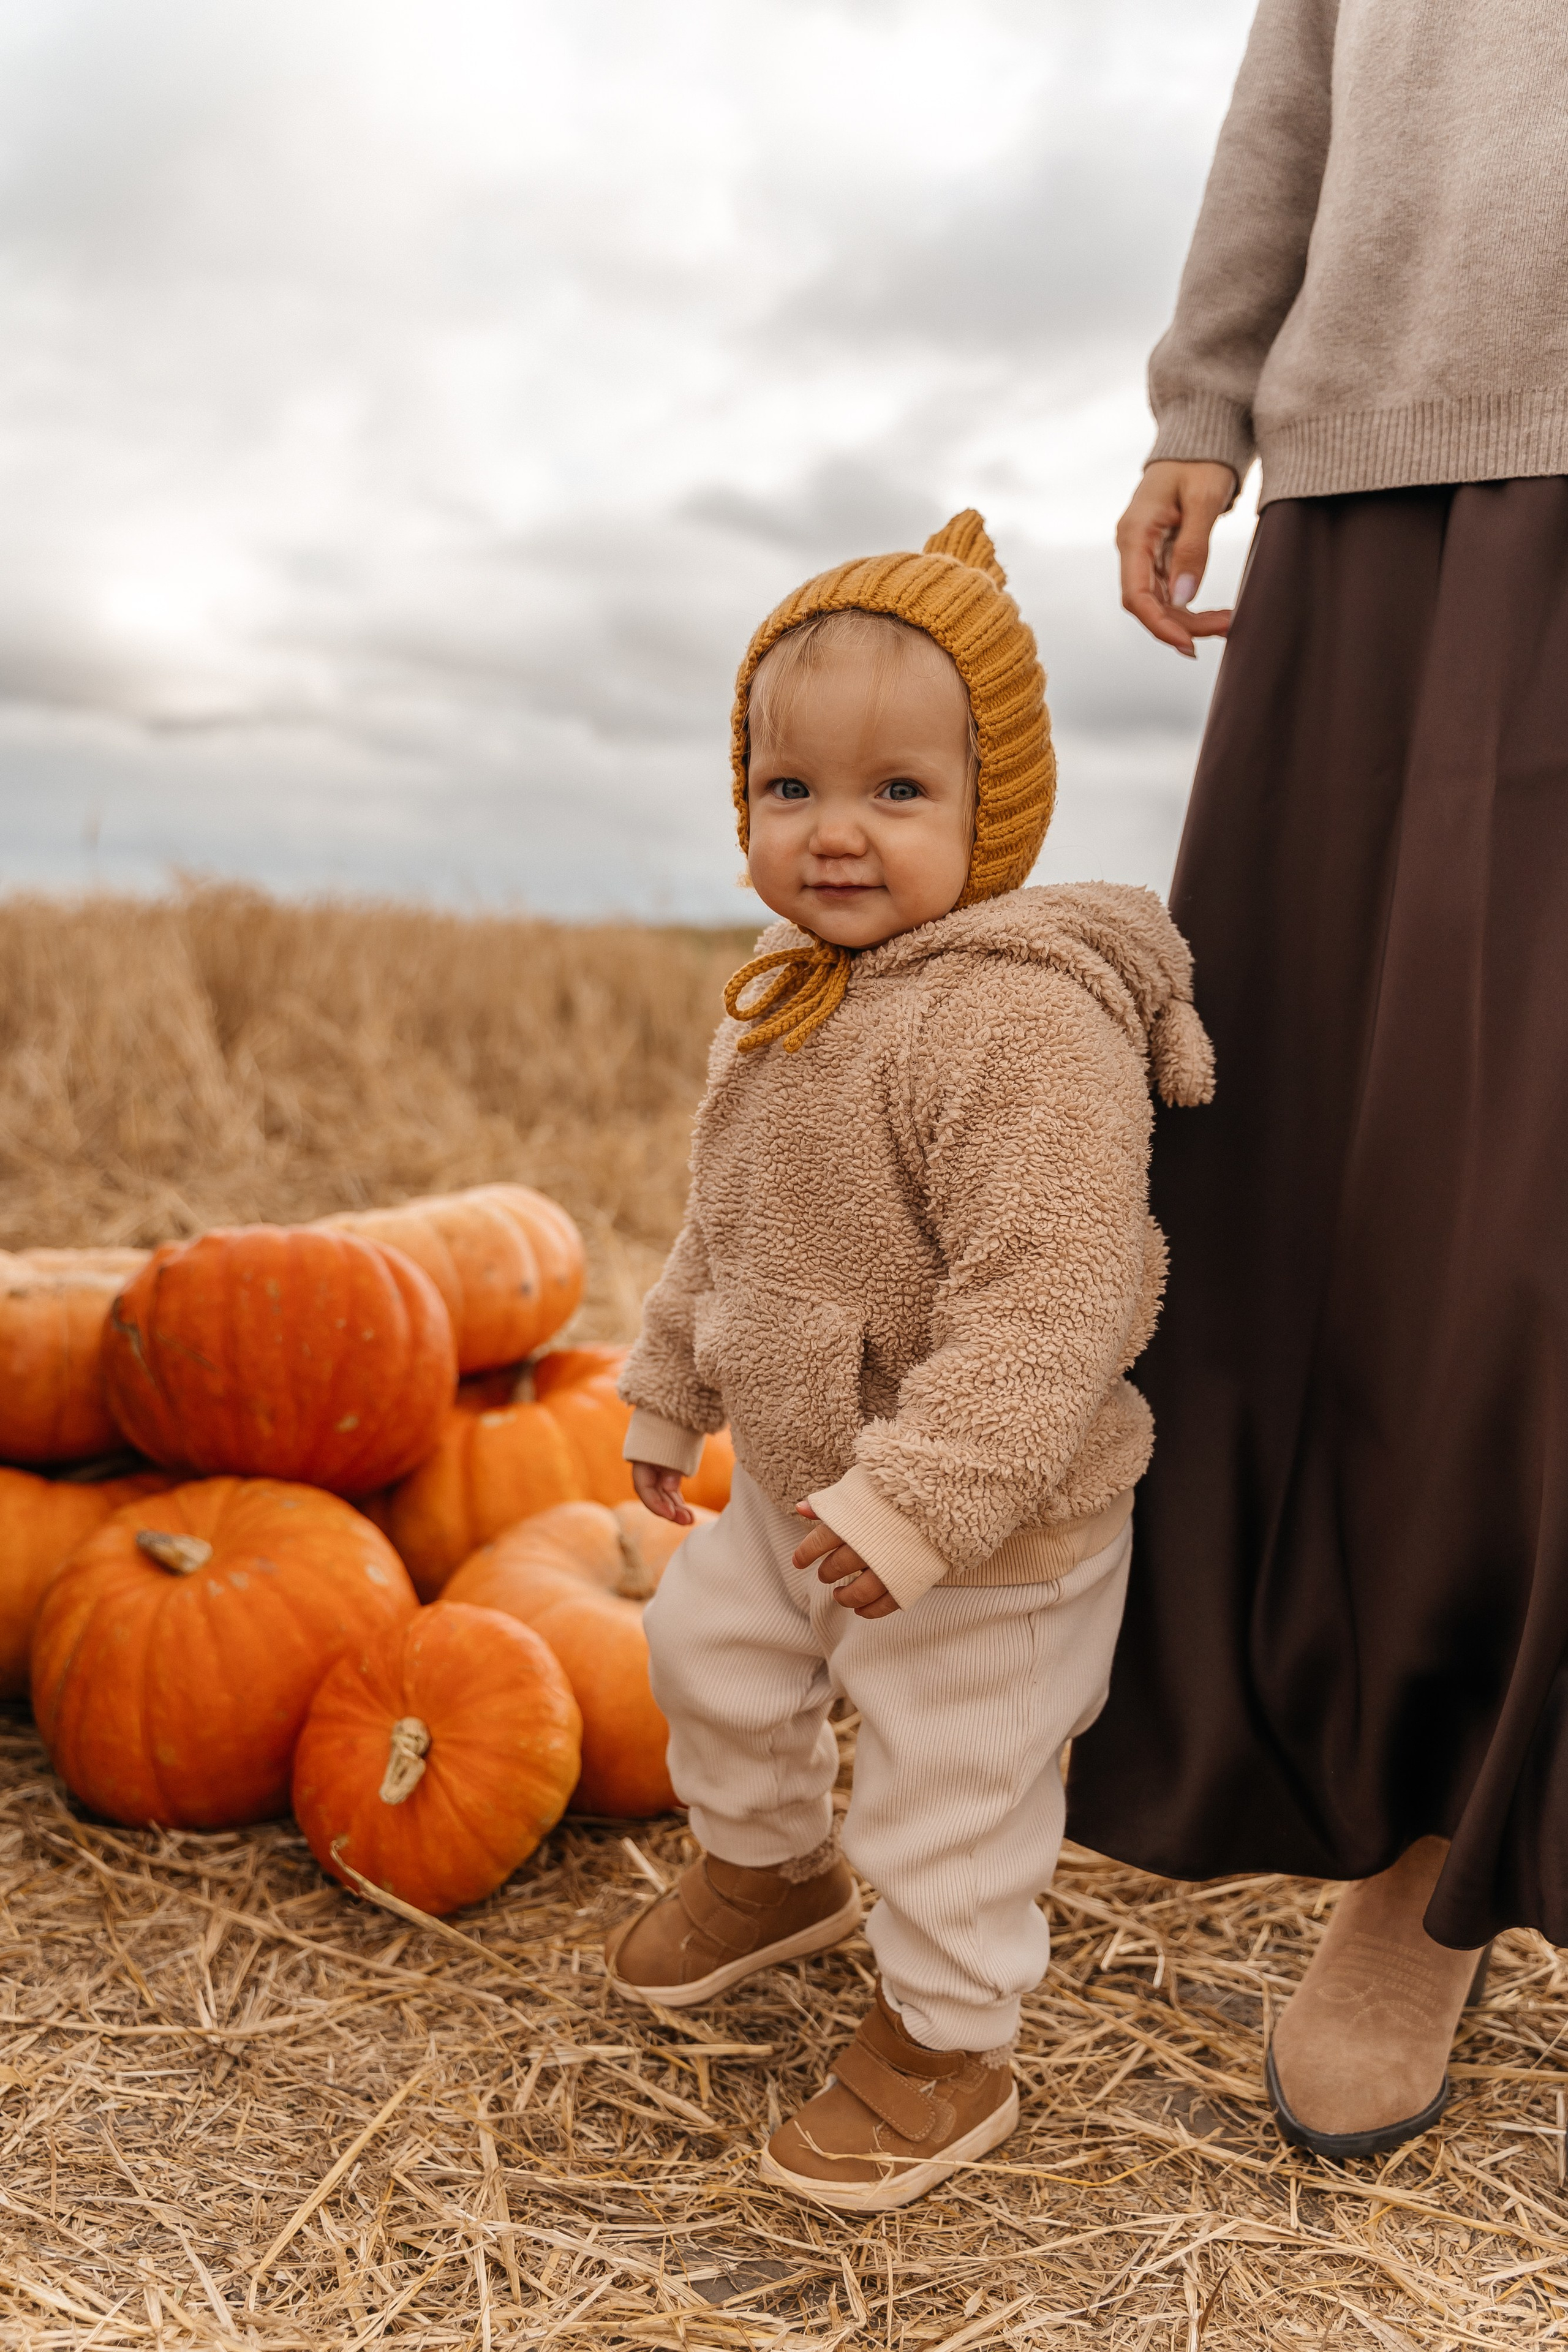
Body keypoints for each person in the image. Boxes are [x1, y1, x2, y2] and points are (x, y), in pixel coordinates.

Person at [1067, 0, 1568, 2161]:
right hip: (1398, 427)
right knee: (1337, 1196)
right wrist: (1210, 383)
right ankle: (1428, 1818)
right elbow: (1305, 55)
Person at [602, 510, 1213, 2211]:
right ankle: (769, 1868)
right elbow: (722, 1224)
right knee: (707, 1656)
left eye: (897, 793)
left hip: (989, 1527)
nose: (837, 836)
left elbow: (1060, 1296)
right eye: (790, 791)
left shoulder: (1019, 1021)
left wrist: (924, 1503)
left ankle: (948, 2044)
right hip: (805, 1486)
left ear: (991, 811)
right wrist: (672, 1383)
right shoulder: (788, 1001)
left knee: (949, 1795)